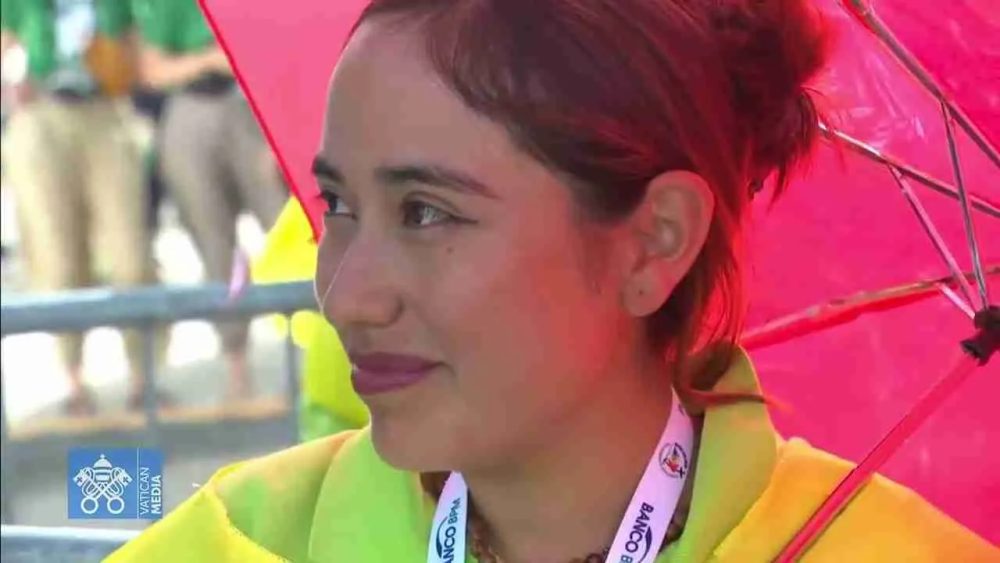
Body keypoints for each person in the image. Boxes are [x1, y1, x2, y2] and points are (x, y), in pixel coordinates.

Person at [109, 0, 997, 561]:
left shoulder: (883, 549)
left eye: (426, 211)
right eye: (337, 204)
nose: (344, 296)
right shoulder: (245, 538)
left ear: (653, 242)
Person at [1, 0, 157, 415]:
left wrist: (115, 64)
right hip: (41, 114)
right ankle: (74, 379)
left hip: (104, 110)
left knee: (130, 253)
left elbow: (136, 53)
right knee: (57, 255)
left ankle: (143, 377)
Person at [129, 0, 287, 400]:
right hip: (192, 108)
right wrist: (208, 61)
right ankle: (238, 370)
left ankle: (318, 358)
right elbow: (153, 69)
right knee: (215, 246)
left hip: (251, 102)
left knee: (289, 231)